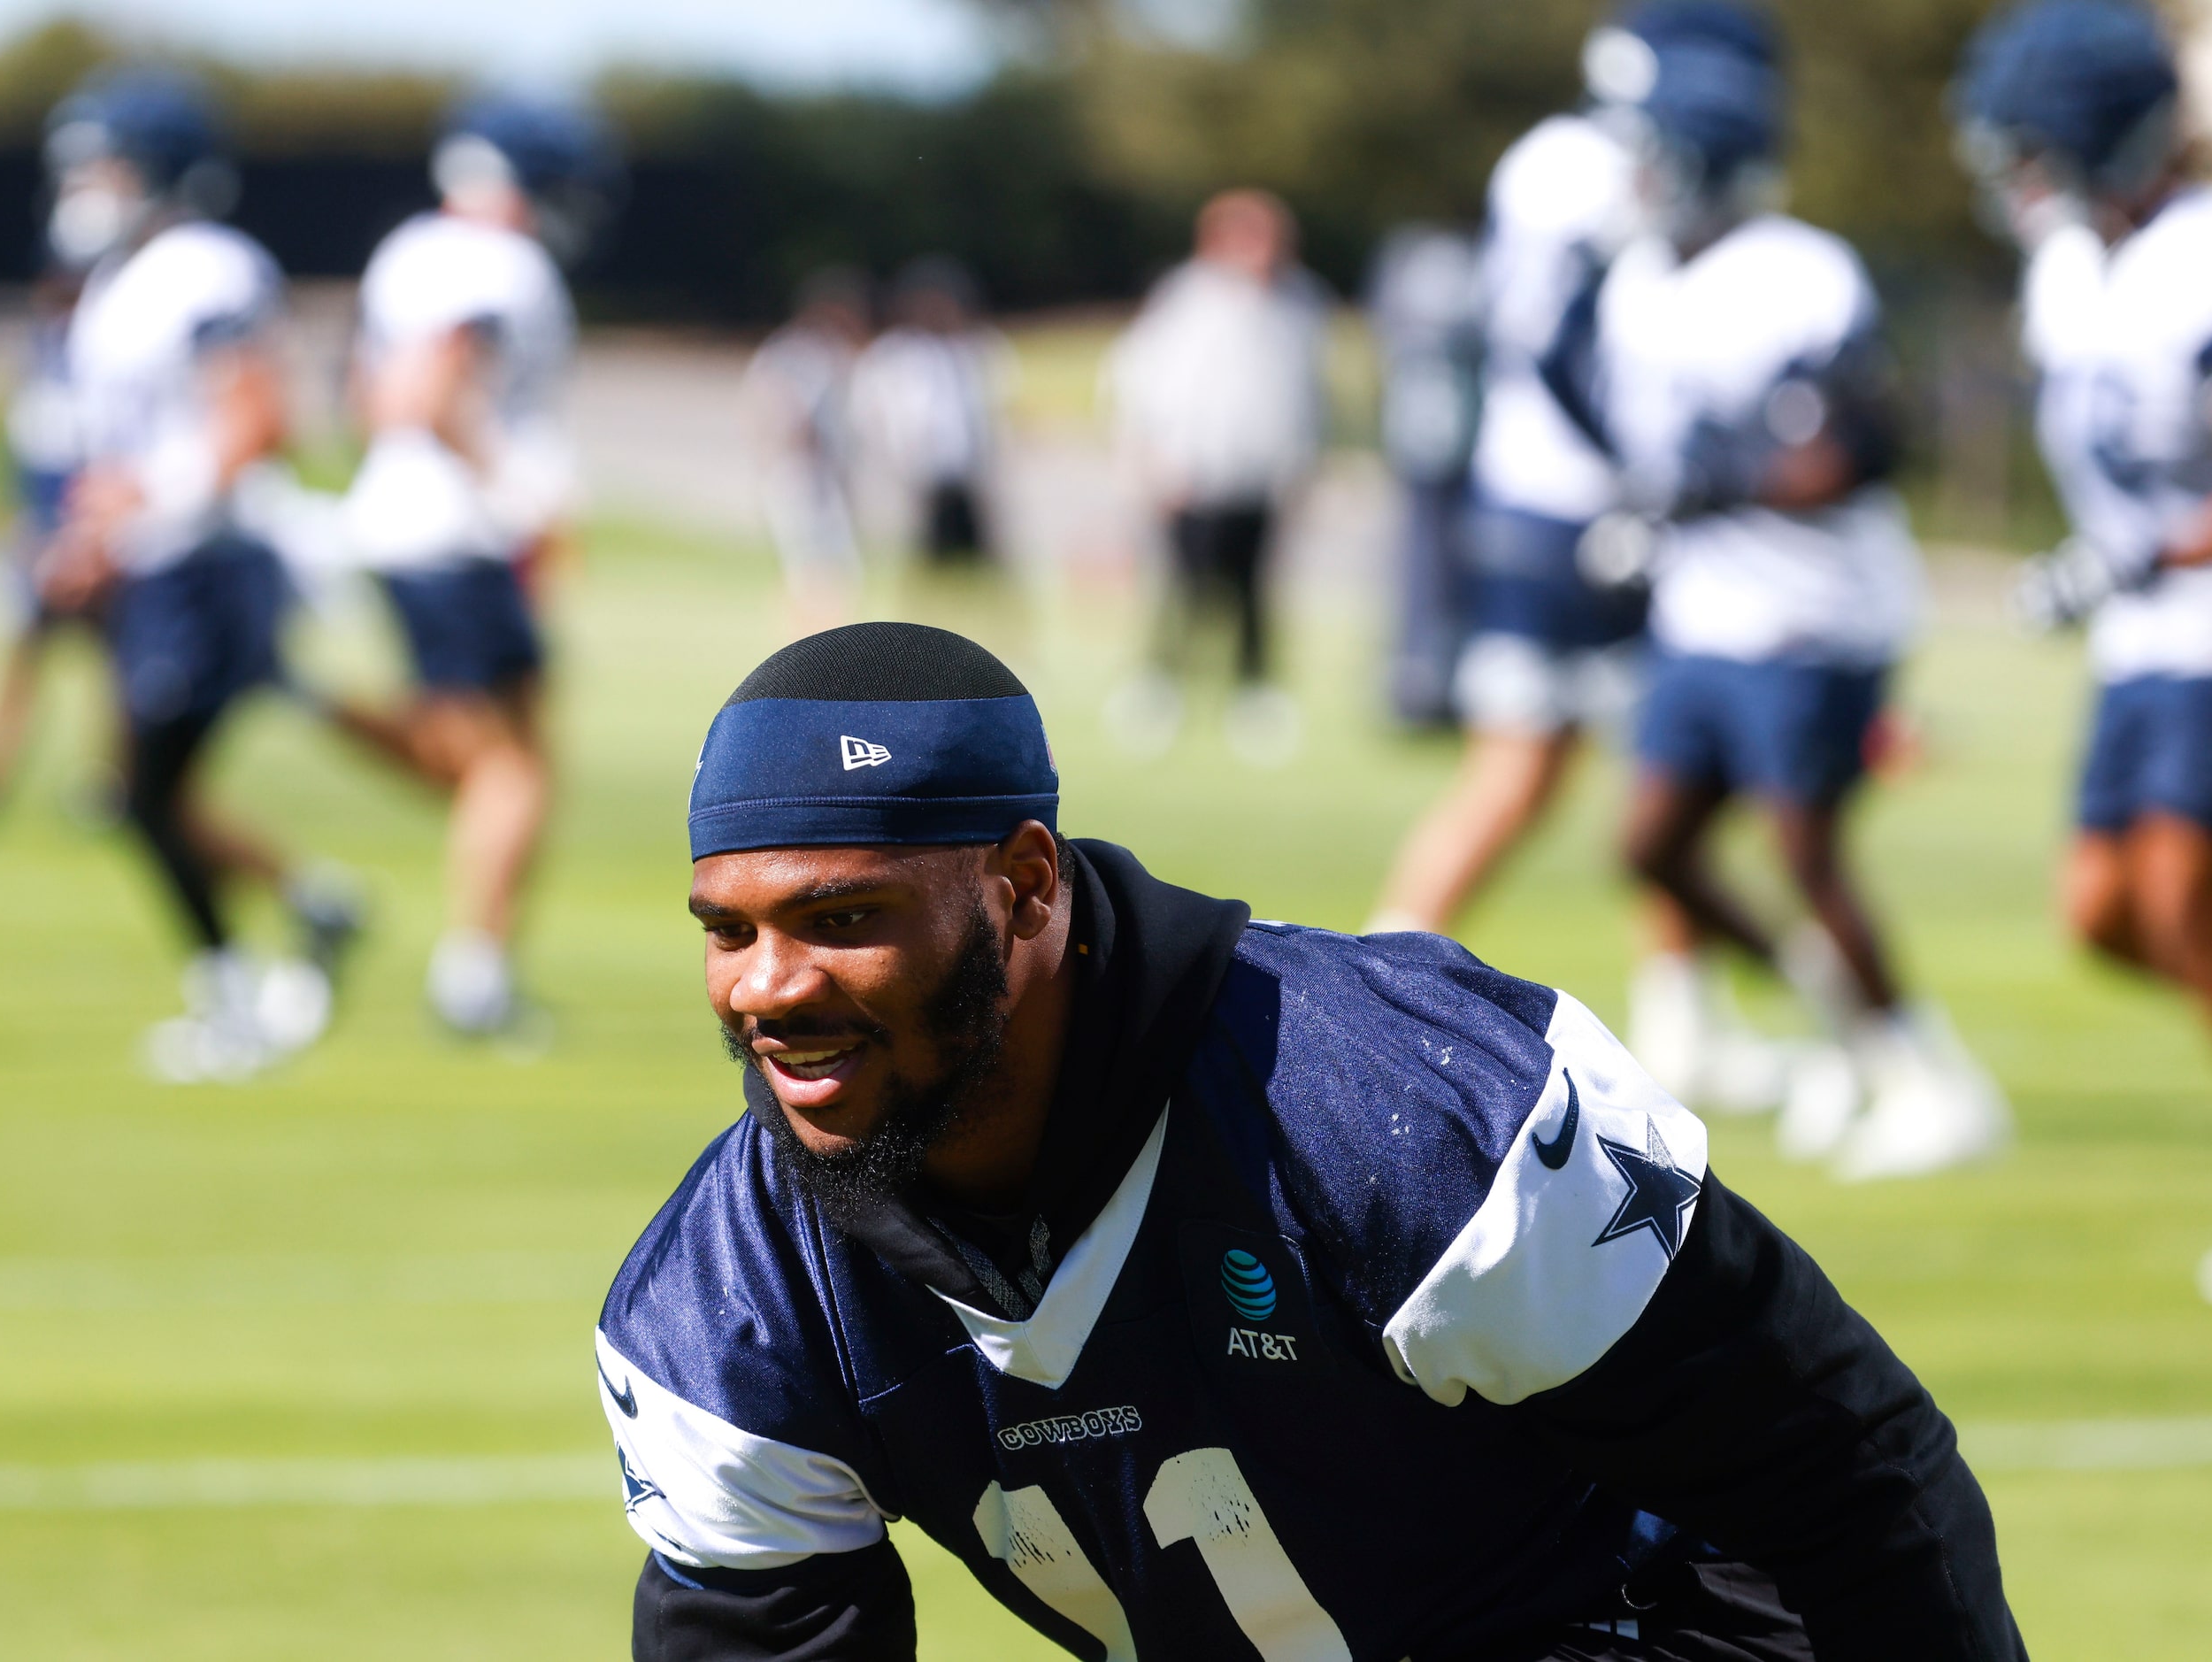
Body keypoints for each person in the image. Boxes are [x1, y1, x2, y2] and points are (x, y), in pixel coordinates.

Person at [597, 619, 2024, 1661]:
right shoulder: (725, 1304)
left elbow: (1846, 1474)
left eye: (842, 918)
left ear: (1024, 882)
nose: (769, 989)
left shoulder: (1393, 1109)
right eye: (729, 930)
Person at [1585, 32, 2006, 1178]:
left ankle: (1929, 1078)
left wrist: (1703, 488)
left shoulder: (1798, 271)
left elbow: (1857, 445)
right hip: (1706, 613)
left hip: (1815, 615)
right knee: (1652, 846)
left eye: (1648, 155)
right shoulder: (1634, 282)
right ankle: (1850, 1030)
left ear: (1696, 160)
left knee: (1807, 853)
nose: (1629, 177)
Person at [1368, 3, 1788, 1121]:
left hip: (1538, 498)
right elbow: (1571, 344)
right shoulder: (1600, 167)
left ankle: (1676, 1013)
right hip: (1581, 507)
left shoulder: (1545, 157)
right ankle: (1373, 994)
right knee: (1599, 773)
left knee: (1604, 779)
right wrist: (1651, 471)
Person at [1957, 1, 2212, 1302]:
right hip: (2145, 644)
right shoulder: (2067, 270)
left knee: (2186, 904)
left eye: (2035, 144)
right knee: (2101, 916)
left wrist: (2157, 553)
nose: (2017, 170)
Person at [39, 70, 358, 1081]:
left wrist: (152, 504)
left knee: (144, 789)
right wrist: (90, 538)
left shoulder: (206, 268)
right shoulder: (115, 284)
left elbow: (256, 414)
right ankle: (302, 916)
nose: (87, 183)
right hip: (154, 568)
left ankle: (236, 988)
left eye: (107, 163)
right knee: (141, 791)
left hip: (209, 563)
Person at [331, 95, 608, 1038]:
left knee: (500, 756)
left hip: (403, 521)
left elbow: (368, 396)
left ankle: (482, 967)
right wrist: (521, 493)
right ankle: (474, 976)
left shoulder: (409, 248)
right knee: (512, 768)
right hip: (459, 533)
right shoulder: (497, 262)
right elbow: (427, 388)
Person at [1104, 189, 1326, 765]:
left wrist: (1300, 468)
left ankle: (1254, 695)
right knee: (1185, 587)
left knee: (1254, 592)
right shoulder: (1187, 300)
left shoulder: (1298, 303)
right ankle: (1160, 689)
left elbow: (1305, 396)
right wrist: (1152, 459)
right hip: (1194, 472)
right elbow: (1141, 381)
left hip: (1261, 478)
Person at [0, 260, 99, 813]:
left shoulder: (103, 360)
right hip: (41, 540)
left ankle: (115, 784)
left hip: (90, 543)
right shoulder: (44, 360)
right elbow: (27, 463)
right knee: (20, 666)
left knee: (116, 675)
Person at [1364, 224, 1484, 729]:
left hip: (1471, 456)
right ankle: (1418, 680)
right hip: (1423, 454)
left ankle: (1441, 679)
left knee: (1454, 568)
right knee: (1420, 568)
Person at [851, 256, 1011, 569]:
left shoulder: (976, 348)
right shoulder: (894, 355)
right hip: (917, 476)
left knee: (979, 558)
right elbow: (871, 415)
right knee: (924, 555)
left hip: (968, 473)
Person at [746, 268, 873, 634]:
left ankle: (821, 635)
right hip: (801, 475)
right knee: (814, 565)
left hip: (821, 476)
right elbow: (778, 412)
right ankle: (808, 641)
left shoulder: (828, 354)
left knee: (834, 566)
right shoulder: (796, 354)